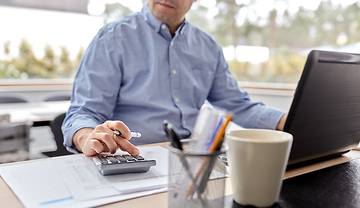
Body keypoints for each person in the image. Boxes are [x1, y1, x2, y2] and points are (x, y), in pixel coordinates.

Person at [62, 0, 287, 157]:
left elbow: (238, 105)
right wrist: (86, 138)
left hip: (197, 158)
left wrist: (287, 120)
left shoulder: (208, 48)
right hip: (136, 156)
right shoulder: (111, 39)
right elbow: (84, 113)